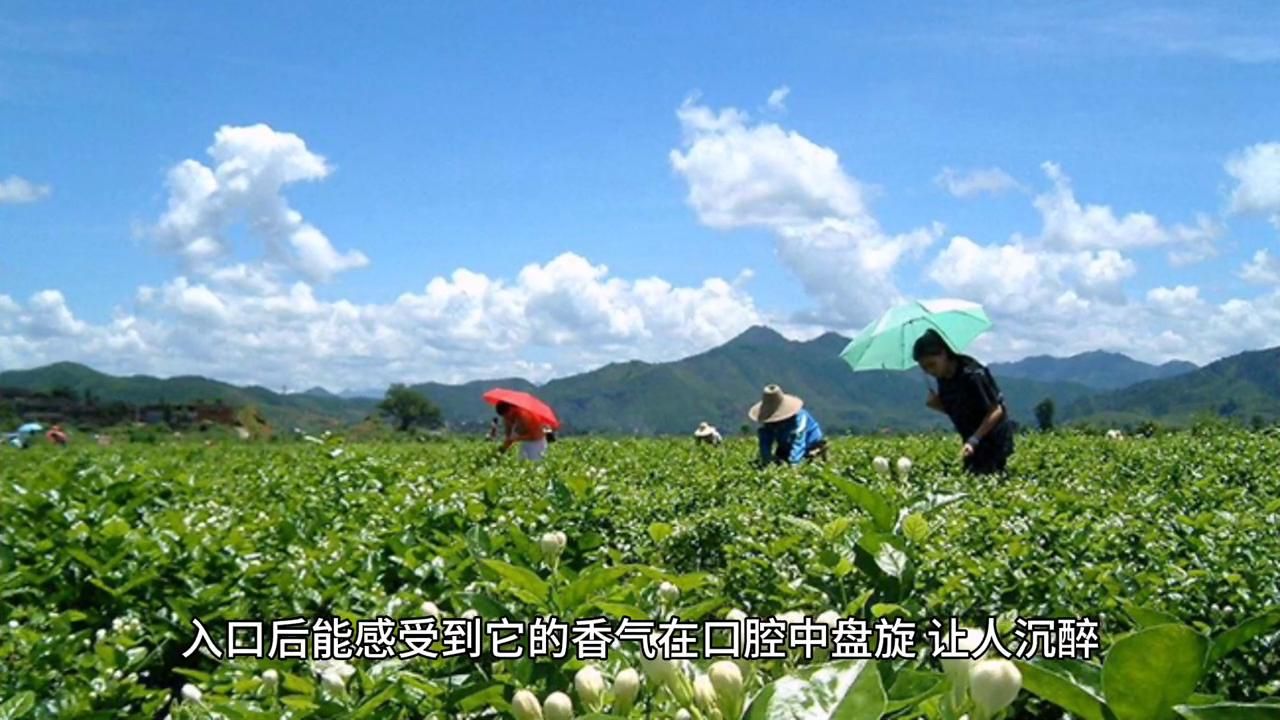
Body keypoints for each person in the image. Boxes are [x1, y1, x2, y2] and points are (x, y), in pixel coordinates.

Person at [913, 329, 1014, 474]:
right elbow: (960, 410)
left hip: (993, 440)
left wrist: (974, 439)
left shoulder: (973, 375)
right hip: (971, 440)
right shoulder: (943, 378)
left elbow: (996, 410)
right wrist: (938, 405)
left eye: (932, 364)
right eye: (924, 368)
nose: (930, 371)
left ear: (943, 354)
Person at [749, 384, 827, 466]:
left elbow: (799, 441)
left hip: (810, 444)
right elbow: (765, 442)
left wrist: (794, 464)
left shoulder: (800, 417)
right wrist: (766, 460)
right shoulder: (769, 424)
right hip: (785, 446)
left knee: (797, 458)